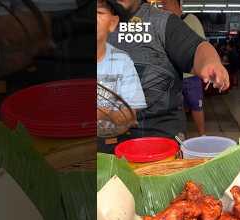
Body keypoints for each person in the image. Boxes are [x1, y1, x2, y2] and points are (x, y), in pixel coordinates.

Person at [110, 0, 229, 141]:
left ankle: (202, 134)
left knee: (196, 106)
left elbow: (197, 47)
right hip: (107, 138)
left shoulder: (162, 21)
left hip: (160, 136)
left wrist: (210, 62)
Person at [96, 0, 146, 153]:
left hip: (112, 143)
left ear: (113, 22)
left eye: (98, 13)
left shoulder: (122, 60)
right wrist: (111, 113)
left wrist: (100, 112)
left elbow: (130, 116)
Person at [163, 0, 206, 136]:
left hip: (191, 75)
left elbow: (202, 45)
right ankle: (181, 138)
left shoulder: (190, 19)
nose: (163, 6)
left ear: (176, 4)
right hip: (173, 76)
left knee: (196, 106)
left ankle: (202, 136)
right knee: (177, 108)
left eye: (165, 3)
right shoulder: (164, 23)